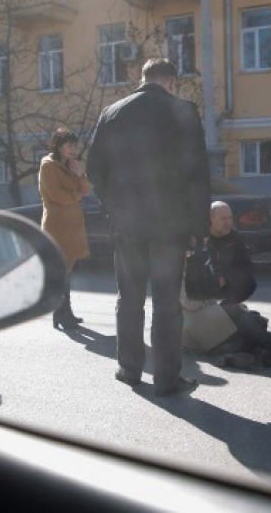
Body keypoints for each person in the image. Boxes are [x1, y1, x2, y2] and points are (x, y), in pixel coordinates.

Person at [86, 58, 211, 397]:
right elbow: (197, 174)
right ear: (171, 80)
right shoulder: (183, 112)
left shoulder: (113, 113)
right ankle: (167, 380)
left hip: (127, 225)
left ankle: (129, 369)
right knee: (167, 304)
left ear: (143, 79)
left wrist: (115, 206)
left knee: (129, 300)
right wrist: (198, 227)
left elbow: (94, 169)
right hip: (170, 227)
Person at [181, 201, 271, 368]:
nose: (228, 222)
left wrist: (222, 288)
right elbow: (190, 303)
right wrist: (215, 293)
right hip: (192, 322)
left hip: (207, 312)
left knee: (253, 319)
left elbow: (247, 262)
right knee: (241, 317)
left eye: (230, 218)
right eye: (223, 218)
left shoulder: (227, 242)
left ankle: (261, 354)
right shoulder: (182, 264)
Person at [39, 127, 92, 329]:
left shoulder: (72, 165)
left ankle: (64, 312)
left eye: (74, 145)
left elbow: (86, 190)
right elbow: (55, 195)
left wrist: (80, 175)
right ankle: (60, 312)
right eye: (69, 145)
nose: (73, 149)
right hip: (57, 225)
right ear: (58, 147)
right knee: (61, 270)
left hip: (72, 225)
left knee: (67, 270)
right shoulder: (48, 165)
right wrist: (75, 196)